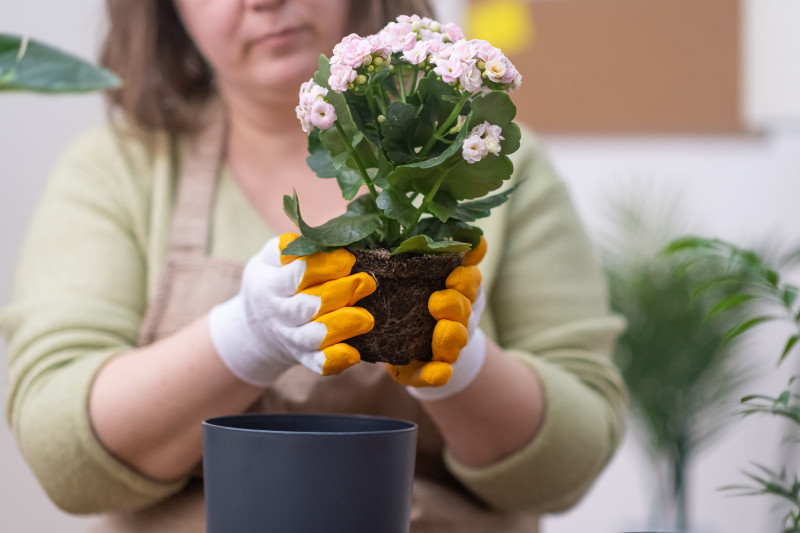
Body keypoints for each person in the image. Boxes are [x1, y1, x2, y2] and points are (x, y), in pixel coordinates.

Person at [1, 0, 627, 531]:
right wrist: (244, 336)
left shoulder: (483, 160)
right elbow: (63, 452)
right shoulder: (116, 171)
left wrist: (464, 366)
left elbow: (571, 459)